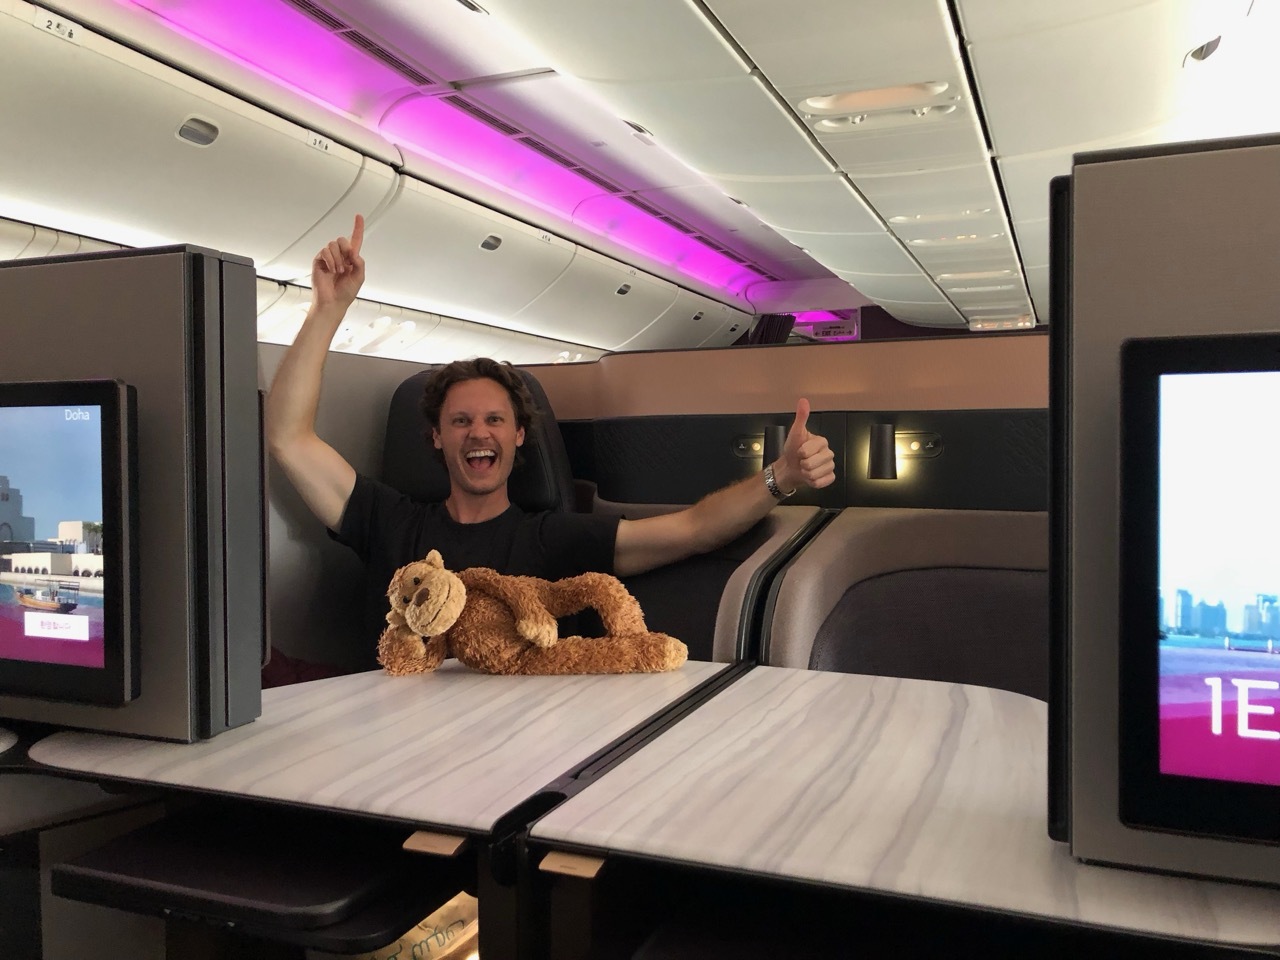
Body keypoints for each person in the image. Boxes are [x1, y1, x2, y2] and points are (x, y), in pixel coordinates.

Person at [265, 215, 838, 655]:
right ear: (436, 439)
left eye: (494, 420)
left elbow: (693, 529)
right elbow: (290, 437)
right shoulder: (390, 522)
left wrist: (780, 477)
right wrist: (326, 309)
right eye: (460, 421)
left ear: (519, 437)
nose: (477, 434)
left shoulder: (553, 538)